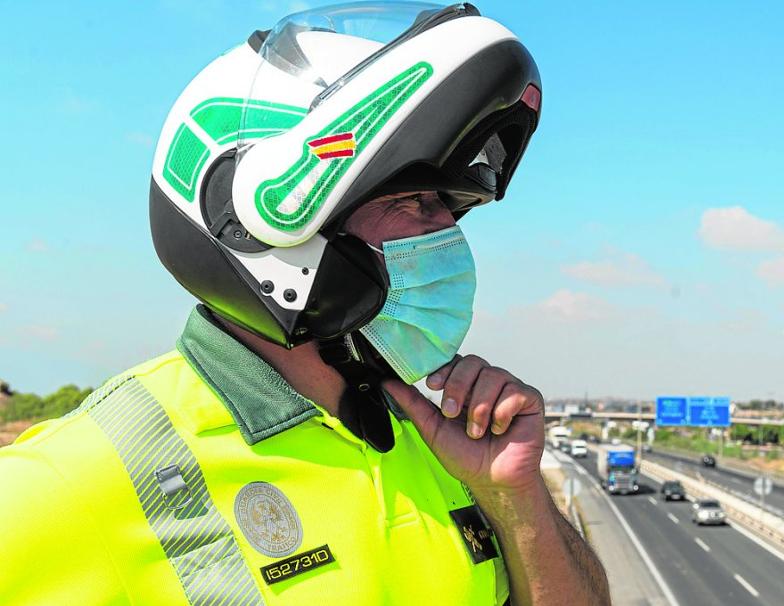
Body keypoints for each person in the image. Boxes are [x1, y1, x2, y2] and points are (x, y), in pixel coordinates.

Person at [0, 3, 607, 604]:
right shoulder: (82, 477)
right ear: (271, 219)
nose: (447, 232)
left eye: (451, 207)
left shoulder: (439, 445)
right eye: (415, 200)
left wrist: (514, 497)